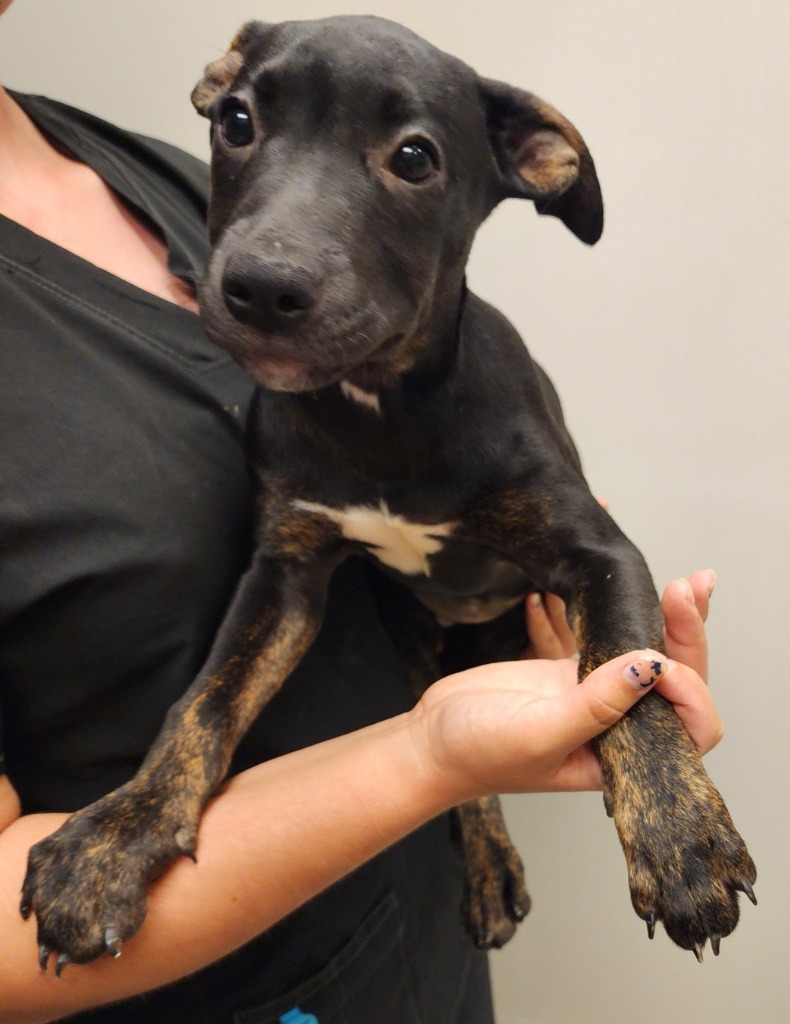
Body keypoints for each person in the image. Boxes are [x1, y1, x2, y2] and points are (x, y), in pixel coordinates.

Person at [0, 4, 722, 1021]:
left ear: (518, 166)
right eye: (246, 125)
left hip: (424, 913)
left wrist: (646, 754)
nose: (266, 256)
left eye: (410, 156)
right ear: (222, 104)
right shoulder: (292, 425)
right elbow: (282, 585)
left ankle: (486, 823)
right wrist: (159, 796)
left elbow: (596, 558)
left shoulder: (135, 175)